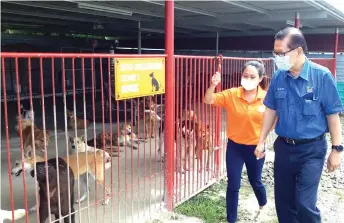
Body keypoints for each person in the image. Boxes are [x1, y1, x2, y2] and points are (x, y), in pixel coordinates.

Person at [254, 27, 343, 223]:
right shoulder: (279, 76)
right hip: (284, 148)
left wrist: (337, 149)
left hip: (312, 150)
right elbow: (270, 110)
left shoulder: (322, 76)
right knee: (284, 203)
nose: (277, 57)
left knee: (304, 203)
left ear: (299, 50)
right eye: (274, 53)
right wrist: (261, 141)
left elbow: (333, 115)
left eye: (281, 53)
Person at [204, 60, 270, 223]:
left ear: (260, 78)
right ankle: (231, 220)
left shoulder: (267, 98)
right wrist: (213, 85)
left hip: (256, 148)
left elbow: (272, 122)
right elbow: (208, 100)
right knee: (233, 185)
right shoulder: (232, 94)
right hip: (235, 148)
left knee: (255, 181)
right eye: (245, 75)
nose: (248, 79)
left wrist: (262, 143)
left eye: (252, 76)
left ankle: (262, 203)